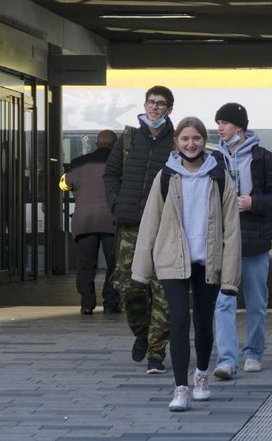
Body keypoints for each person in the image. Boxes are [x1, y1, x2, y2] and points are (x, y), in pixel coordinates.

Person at [132, 117, 240, 413]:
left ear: (204, 141)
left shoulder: (219, 176)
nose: (190, 144)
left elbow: (231, 229)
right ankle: (181, 388)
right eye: (185, 139)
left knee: (204, 323)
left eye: (196, 138)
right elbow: (149, 223)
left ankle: (202, 376)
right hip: (172, 259)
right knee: (179, 320)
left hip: (209, 260)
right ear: (176, 143)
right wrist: (140, 272)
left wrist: (230, 277)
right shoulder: (166, 176)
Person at [211, 102, 272, 382]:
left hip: (255, 240)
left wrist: (254, 202)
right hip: (221, 242)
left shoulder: (264, 158)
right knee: (223, 302)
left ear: (239, 127)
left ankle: (254, 352)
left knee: (256, 302)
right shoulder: (213, 160)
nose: (219, 127)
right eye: (218, 122)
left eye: (225, 123)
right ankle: (227, 360)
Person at [105, 85, 177, 374]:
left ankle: (156, 353)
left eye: (161, 104)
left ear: (170, 109)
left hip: (165, 229)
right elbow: (111, 173)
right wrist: (116, 203)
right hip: (131, 226)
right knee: (128, 288)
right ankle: (142, 333)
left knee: (163, 293)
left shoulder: (175, 142)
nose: (155, 108)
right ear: (145, 105)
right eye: (151, 103)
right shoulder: (128, 139)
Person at [65, 129, 121, 315]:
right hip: (111, 221)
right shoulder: (120, 163)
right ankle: (111, 304)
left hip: (85, 221)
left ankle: (87, 304)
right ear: (115, 146)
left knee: (86, 264)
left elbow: (66, 184)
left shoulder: (78, 163)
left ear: (96, 144)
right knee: (114, 263)